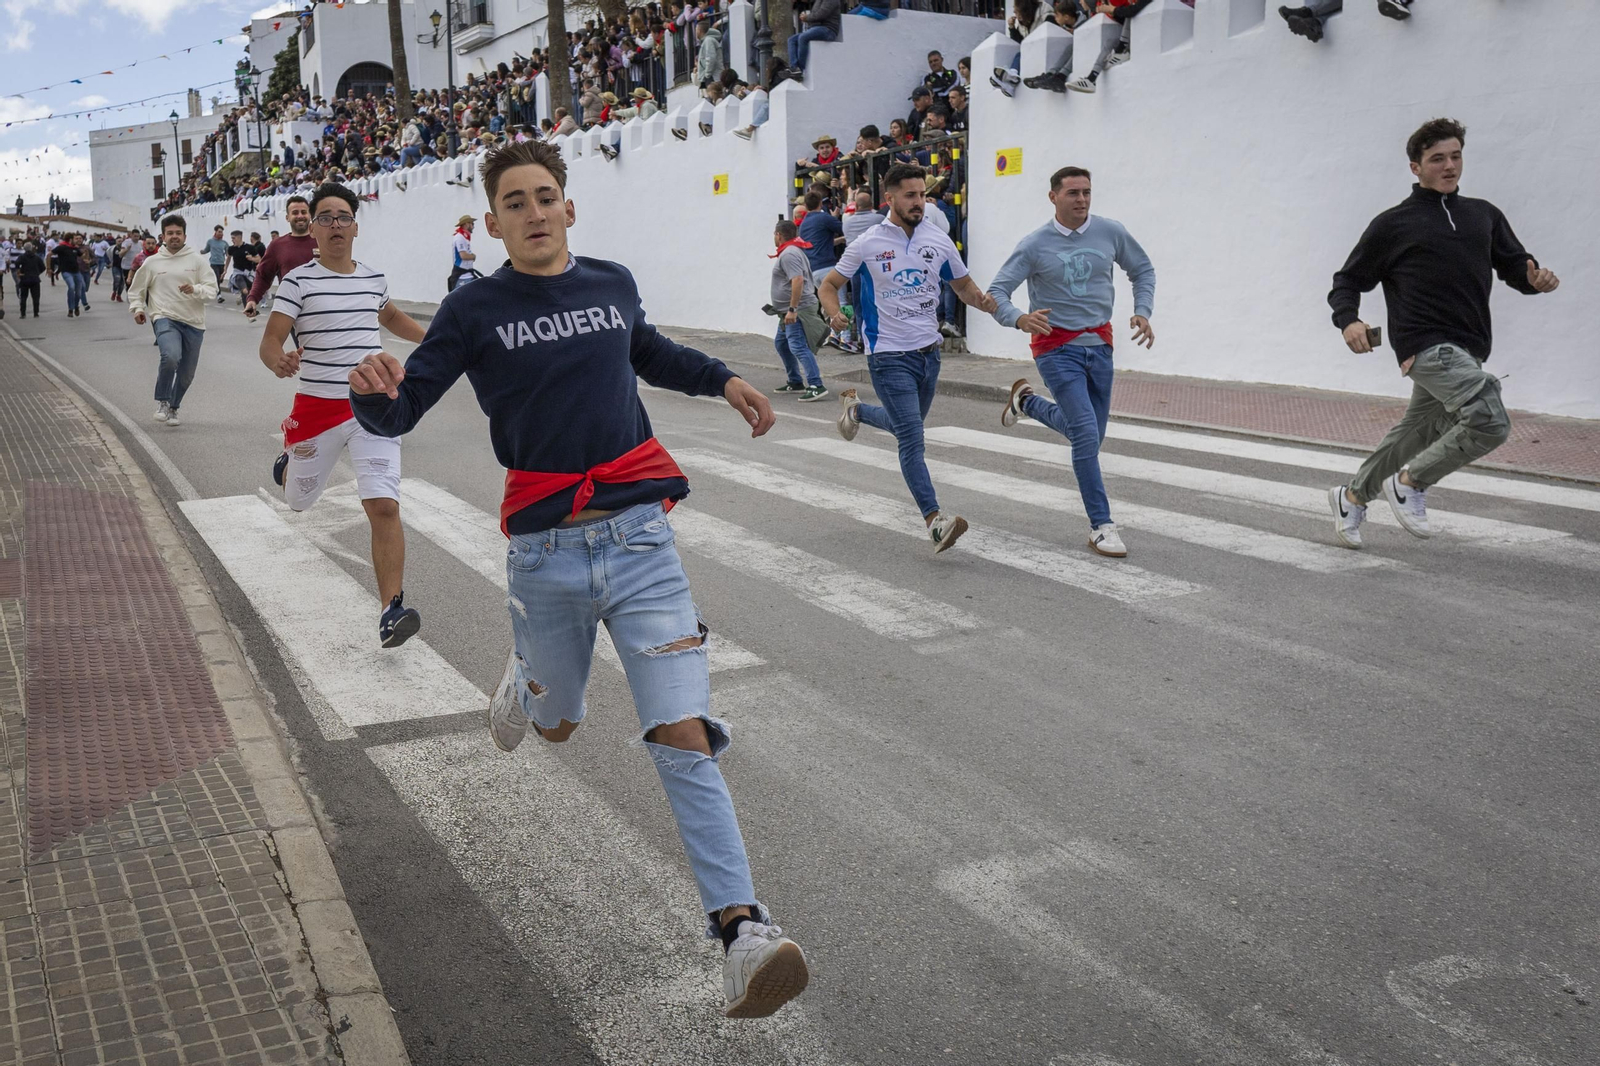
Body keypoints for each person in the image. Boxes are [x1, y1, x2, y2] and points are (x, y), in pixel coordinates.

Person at [345, 139, 809, 1018]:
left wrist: (725, 380)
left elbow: (649, 351)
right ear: (492, 222)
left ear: (568, 207)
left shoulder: (610, 282)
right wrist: (374, 393)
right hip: (546, 558)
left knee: (683, 732)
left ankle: (741, 933)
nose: (532, 212)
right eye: (513, 201)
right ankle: (526, 684)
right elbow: (407, 405)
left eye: (545, 196)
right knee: (556, 728)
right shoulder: (472, 307)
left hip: (641, 546)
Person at [1326, 117, 1557, 548]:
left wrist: (1535, 279)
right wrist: (1349, 320)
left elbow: (1516, 266)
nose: (1449, 166)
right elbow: (1347, 280)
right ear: (1416, 167)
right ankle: (1411, 482)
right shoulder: (1393, 224)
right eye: (1437, 159)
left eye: (1455, 156)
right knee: (1489, 418)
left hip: (1469, 349)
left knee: (1413, 434)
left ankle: (1352, 496)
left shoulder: (1483, 215)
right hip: (1425, 344)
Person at [259, 182, 428, 647]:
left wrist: (437, 341)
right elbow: (272, 339)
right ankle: (291, 460)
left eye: (343, 217)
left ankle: (391, 610)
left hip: (374, 405)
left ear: (355, 226)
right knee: (299, 501)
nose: (336, 225)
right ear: (311, 228)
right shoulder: (298, 282)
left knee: (384, 503)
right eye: (326, 217)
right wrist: (279, 359)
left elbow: (391, 318)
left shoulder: (373, 279)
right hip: (317, 410)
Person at [820, 163, 998, 555]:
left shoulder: (938, 239)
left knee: (907, 427)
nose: (920, 202)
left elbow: (963, 285)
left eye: (923, 195)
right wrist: (834, 313)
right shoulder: (868, 242)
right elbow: (829, 284)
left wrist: (985, 303)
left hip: (929, 355)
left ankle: (857, 410)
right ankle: (935, 521)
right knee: (913, 439)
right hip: (887, 355)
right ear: (891, 198)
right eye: (911, 196)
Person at [986, 165, 1156, 559]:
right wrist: (1019, 318)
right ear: (1053, 197)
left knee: (1091, 438)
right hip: (1056, 348)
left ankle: (1026, 402)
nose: (1081, 199)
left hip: (1101, 346)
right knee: (1084, 435)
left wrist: (1142, 310)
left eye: (1086, 192)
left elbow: (1142, 269)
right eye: (1073, 193)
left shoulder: (1111, 231)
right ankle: (1101, 525)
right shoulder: (1034, 244)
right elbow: (997, 291)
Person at [126, 214, 218, 428]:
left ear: (185, 236)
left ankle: (174, 407)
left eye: (178, 233)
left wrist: (195, 289)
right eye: (170, 233)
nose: (174, 236)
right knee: (170, 356)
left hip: (194, 322)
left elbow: (211, 291)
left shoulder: (196, 261)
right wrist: (138, 309)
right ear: (163, 236)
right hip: (164, 317)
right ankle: (163, 401)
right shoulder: (152, 262)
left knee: (186, 374)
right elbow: (136, 290)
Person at [769, 219, 827, 401]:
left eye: (774, 234)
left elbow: (797, 280)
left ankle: (816, 384)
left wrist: (792, 309)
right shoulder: (791, 251)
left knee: (797, 345)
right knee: (782, 343)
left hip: (796, 309)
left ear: (778, 235)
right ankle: (795, 380)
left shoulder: (789, 254)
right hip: (787, 310)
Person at [247, 197, 316, 318]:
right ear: (287, 217)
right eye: (295, 213)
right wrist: (252, 299)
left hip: (324, 308)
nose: (300, 216)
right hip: (293, 311)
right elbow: (263, 276)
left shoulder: (323, 241)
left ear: (310, 215)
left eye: (304, 212)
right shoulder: (277, 246)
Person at [788, 0, 840, 73]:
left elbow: (821, 14)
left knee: (803, 37)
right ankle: (794, 67)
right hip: (817, 28)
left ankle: (801, 68)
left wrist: (807, 18)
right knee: (792, 40)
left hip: (828, 29)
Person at [53, 236, 87, 317]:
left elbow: (81, 255)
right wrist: (48, 268)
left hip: (76, 271)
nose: (77, 240)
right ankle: (70, 309)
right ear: (70, 239)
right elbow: (50, 254)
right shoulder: (62, 247)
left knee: (79, 292)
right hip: (66, 271)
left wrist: (85, 254)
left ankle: (76, 306)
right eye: (75, 239)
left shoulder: (75, 248)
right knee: (71, 287)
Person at [226, 231, 257, 306]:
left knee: (248, 293)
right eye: (231, 238)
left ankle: (241, 296)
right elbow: (228, 258)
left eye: (234, 238)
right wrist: (225, 270)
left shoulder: (250, 248)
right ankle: (249, 312)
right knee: (245, 291)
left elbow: (259, 259)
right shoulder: (231, 248)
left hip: (248, 274)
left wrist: (252, 258)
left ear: (239, 238)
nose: (232, 240)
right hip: (238, 273)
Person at [13, 242, 43, 318]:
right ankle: (36, 313)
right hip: (35, 279)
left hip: (24, 279)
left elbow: (16, 264)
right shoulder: (36, 257)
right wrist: (37, 272)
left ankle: (23, 313)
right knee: (36, 297)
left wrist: (19, 271)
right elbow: (43, 267)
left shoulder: (22, 257)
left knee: (23, 297)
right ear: (32, 248)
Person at [449, 214, 477, 292]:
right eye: (472, 224)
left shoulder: (464, 237)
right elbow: (463, 256)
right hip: (462, 277)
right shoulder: (459, 237)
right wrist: (473, 256)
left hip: (467, 275)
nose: (473, 226)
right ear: (466, 224)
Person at [204, 225, 230, 304]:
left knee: (220, 279)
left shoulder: (224, 243)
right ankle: (219, 296)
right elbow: (207, 249)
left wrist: (228, 256)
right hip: (213, 263)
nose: (221, 233)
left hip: (221, 263)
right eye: (219, 232)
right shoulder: (210, 241)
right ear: (215, 232)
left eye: (222, 232)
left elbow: (228, 253)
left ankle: (216, 288)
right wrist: (202, 251)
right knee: (217, 278)